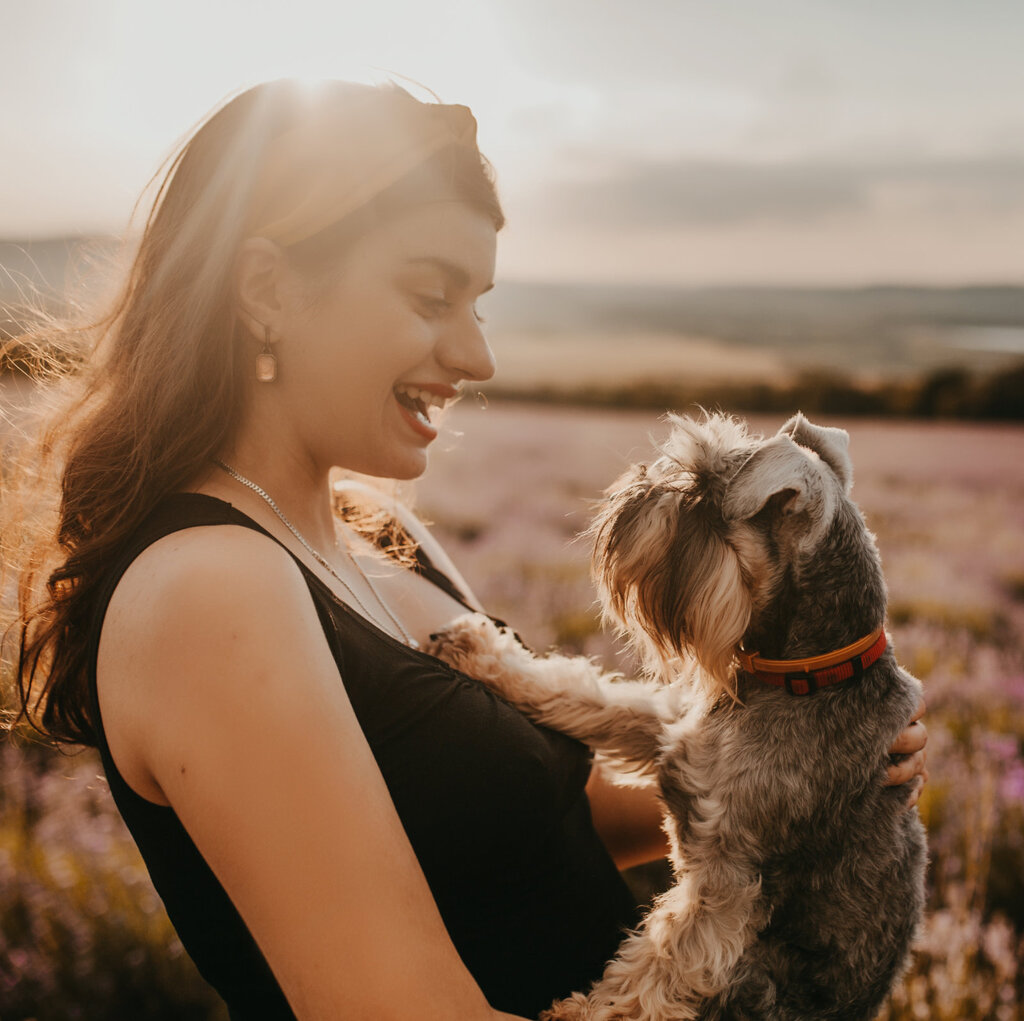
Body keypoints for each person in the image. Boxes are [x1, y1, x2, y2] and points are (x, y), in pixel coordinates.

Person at [4, 79, 927, 1020]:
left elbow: (516, 839)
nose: (477, 356)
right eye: (430, 295)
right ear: (268, 290)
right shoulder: (208, 593)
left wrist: (797, 782)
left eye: (479, 304)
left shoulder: (376, 534)